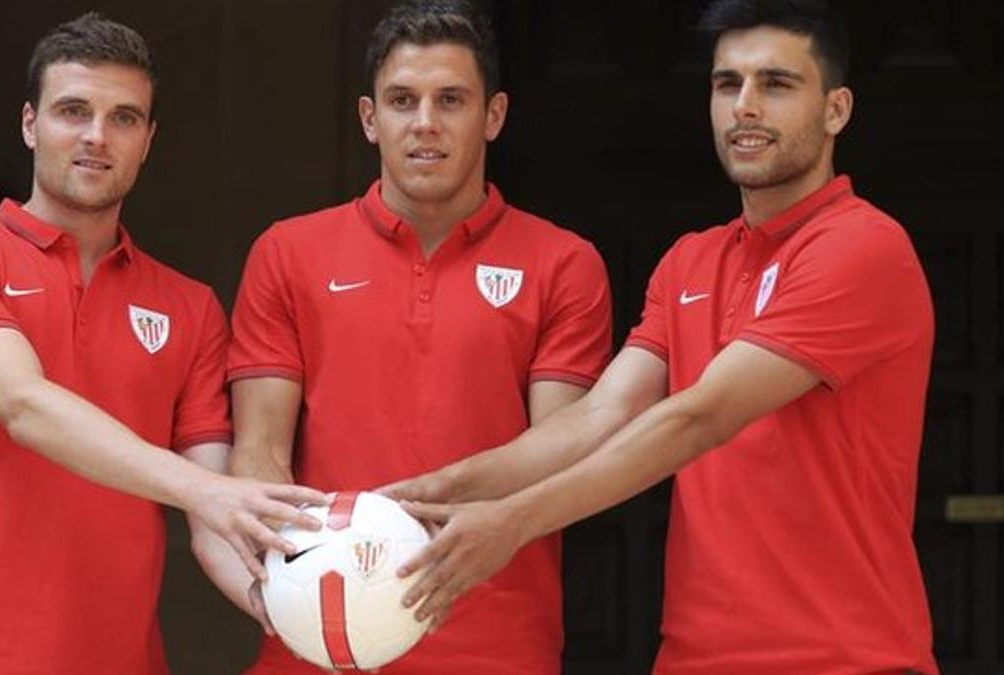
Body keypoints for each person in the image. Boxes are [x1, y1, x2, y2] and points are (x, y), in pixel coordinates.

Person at [387, 1, 939, 673]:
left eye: (777, 83)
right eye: (726, 83)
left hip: (845, 658)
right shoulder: (690, 262)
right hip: (692, 659)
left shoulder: (862, 246)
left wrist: (513, 521)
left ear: (837, 110)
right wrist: (434, 493)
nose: (745, 106)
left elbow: (700, 415)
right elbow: (600, 414)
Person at [0, 13, 325, 675]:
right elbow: (24, 404)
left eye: (124, 117)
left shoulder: (190, 306)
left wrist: (293, 608)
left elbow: (214, 521)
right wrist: (205, 490)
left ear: (148, 140)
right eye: (73, 111)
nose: (97, 136)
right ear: (31, 123)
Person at [226, 1, 613, 672]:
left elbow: (560, 455)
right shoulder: (287, 253)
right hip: (319, 642)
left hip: (495, 645)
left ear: (493, 115)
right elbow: (260, 450)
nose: (425, 123)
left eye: (451, 100)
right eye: (402, 100)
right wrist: (298, 570)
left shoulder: (564, 262)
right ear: (369, 119)